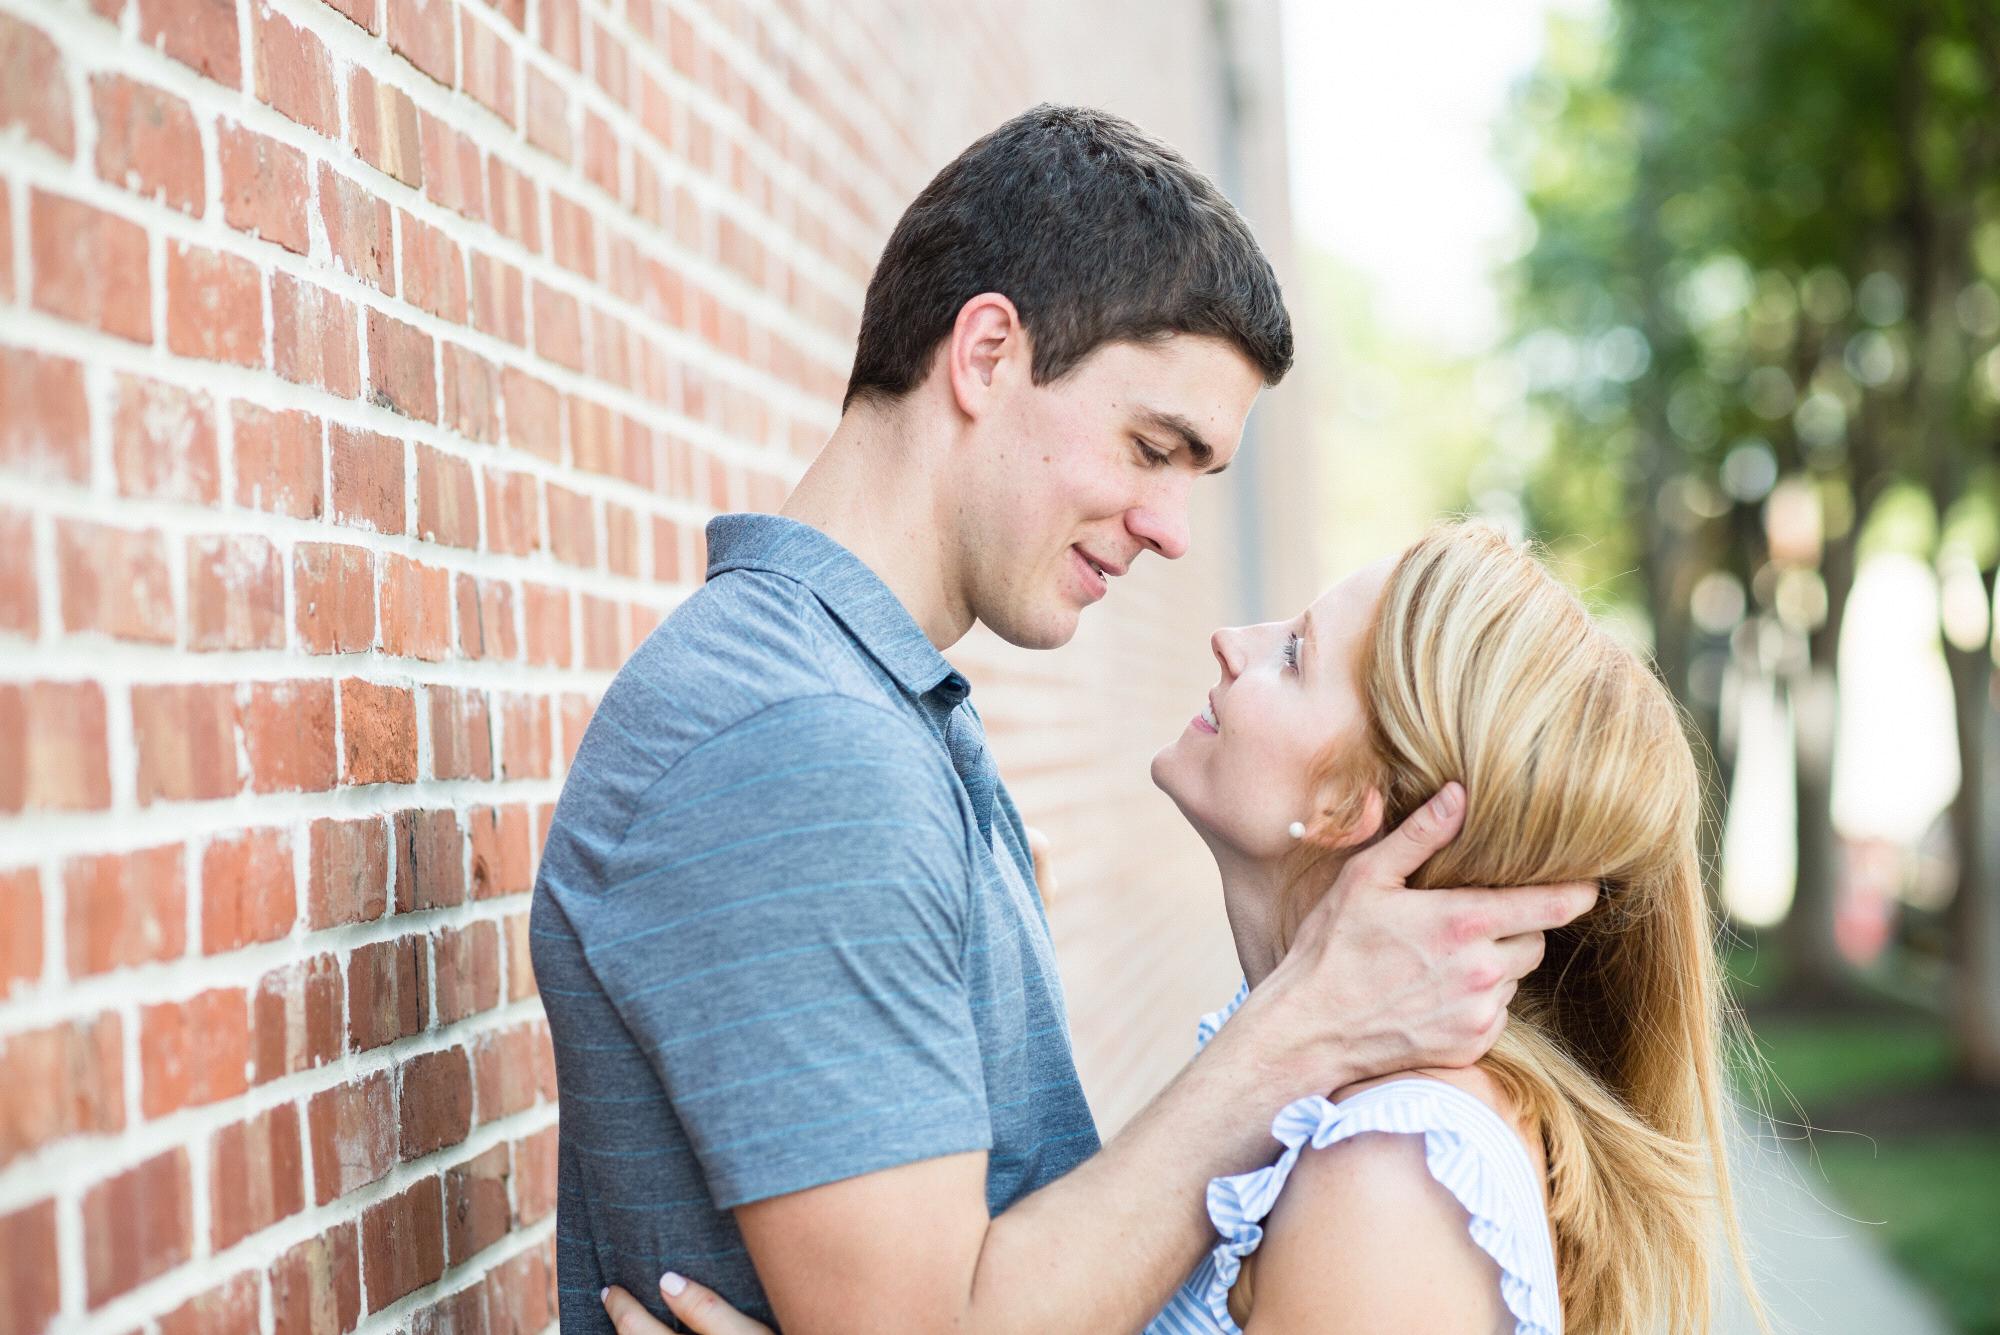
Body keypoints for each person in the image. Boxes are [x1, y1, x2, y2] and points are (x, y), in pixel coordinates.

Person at [533, 104, 1595, 1334]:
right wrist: (1304, 1027)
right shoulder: (798, 744)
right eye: (1150, 447)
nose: (1170, 529)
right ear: (986, 354)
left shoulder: (879, 716)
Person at [605, 522, 1766, 1335]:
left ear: (1350, 808)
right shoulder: (1327, 1116)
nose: (1232, 640)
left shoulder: (1391, 1174)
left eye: (1293, 655)